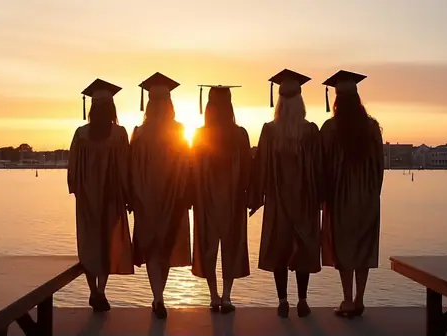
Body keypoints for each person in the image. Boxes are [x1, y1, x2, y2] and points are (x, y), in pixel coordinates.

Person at [248, 69, 323, 318]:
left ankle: (282, 301)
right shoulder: (311, 130)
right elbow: (319, 167)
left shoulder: (270, 130)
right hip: (305, 200)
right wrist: (321, 198)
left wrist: (255, 197)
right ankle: (302, 300)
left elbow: (260, 166)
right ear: (300, 102)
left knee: (279, 247)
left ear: (278, 102)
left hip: (278, 201)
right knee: (302, 247)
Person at [320, 70, 384, 318]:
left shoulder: (329, 128)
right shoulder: (371, 127)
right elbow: (379, 166)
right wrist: (373, 192)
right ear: (357, 99)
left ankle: (347, 299)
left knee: (344, 248)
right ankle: (360, 299)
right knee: (364, 246)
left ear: (336, 101)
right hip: (367, 197)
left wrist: (325, 195)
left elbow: (322, 165)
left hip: (340, 197)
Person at [67, 78, 134, 313]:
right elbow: (126, 167)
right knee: (106, 243)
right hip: (112, 197)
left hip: (87, 199)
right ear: (112, 109)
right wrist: (128, 195)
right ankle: (102, 291)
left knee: (89, 243)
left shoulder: (81, 134)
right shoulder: (119, 134)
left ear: (92, 108)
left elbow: (73, 167)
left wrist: (77, 189)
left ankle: (92, 290)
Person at [130, 72, 192, 319]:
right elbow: (187, 165)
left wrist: (134, 196)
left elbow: (131, 169)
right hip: (172, 197)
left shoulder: (140, 133)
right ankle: (159, 297)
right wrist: (184, 194)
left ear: (149, 104)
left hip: (146, 199)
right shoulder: (178, 131)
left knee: (153, 249)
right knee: (164, 248)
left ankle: (157, 296)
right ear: (170, 104)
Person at [191, 85, 251, 313]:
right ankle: (226, 296)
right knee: (230, 245)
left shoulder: (199, 134)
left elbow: (192, 169)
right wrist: (250, 196)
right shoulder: (240, 134)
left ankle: (214, 295)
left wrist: (190, 196)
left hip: (206, 199)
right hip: (233, 199)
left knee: (208, 246)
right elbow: (248, 169)